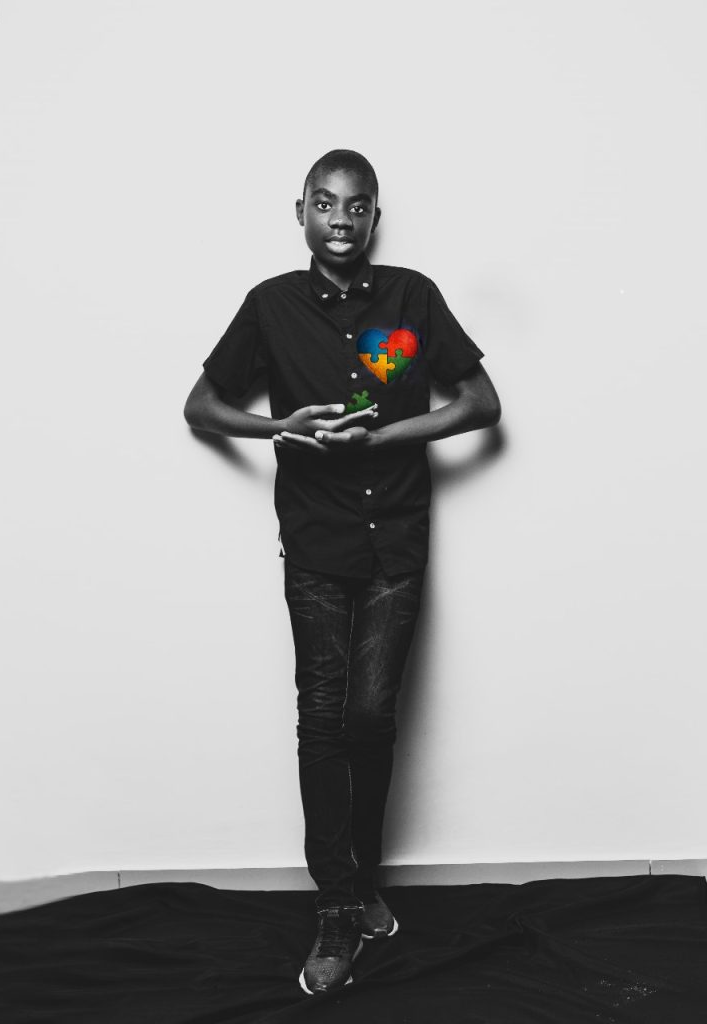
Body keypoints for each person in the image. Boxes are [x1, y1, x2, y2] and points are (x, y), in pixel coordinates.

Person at [183, 149, 501, 995]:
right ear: (301, 212)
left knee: (371, 717)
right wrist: (279, 427)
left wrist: (386, 436)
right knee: (322, 718)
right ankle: (336, 906)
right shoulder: (270, 305)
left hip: (396, 539)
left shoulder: (411, 298)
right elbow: (200, 407)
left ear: (374, 219)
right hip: (316, 542)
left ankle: (361, 879)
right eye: (325, 203)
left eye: (357, 207)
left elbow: (481, 403)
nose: (341, 220)